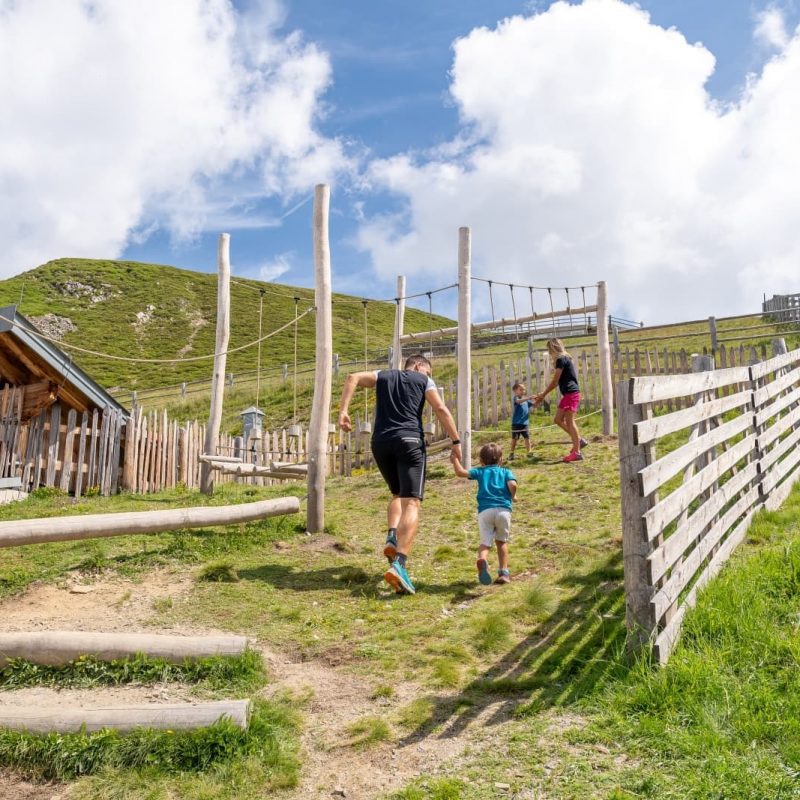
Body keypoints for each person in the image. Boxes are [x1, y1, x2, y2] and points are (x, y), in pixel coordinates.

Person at [338, 354, 462, 595]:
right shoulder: (423, 380)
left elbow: (352, 377)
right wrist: (455, 440)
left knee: (397, 494)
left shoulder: (382, 375)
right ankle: (400, 565)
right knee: (412, 501)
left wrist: (343, 411)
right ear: (418, 366)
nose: (428, 377)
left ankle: (392, 536)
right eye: (428, 372)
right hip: (409, 441)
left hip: (381, 443)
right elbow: (440, 408)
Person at [451, 442, 516, 585]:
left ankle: (483, 560)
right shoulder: (506, 472)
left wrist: (455, 459)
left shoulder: (480, 471)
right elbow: (513, 484)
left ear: (481, 460)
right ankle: (504, 573)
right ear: (500, 459)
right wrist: (513, 496)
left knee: (485, 543)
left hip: (485, 511)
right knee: (501, 542)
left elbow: (460, 472)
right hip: (504, 510)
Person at [534, 338, 588, 463]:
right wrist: (543, 394)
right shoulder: (564, 359)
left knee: (570, 421)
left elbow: (555, 381)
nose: (549, 352)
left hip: (571, 394)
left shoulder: (561, 359)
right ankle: (578, 441)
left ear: (553, 348)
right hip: (568, 394)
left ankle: (577, 452)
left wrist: (543, 394)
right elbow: (559, 382)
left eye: (549, 349)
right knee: (558, 420)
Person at [509, 381, 534, 460]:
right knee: (514, 439)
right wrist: (529, 398)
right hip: (516, 423)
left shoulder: (526, 400)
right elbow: (518, 401)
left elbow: (534, 404)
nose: (523, 391)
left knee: (527, 437)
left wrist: (540, 397)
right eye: (521, 389)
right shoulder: (516, 398)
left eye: (524, 390)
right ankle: (511, 453)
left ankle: (529, 452)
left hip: (525, 423)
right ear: (515, 391)